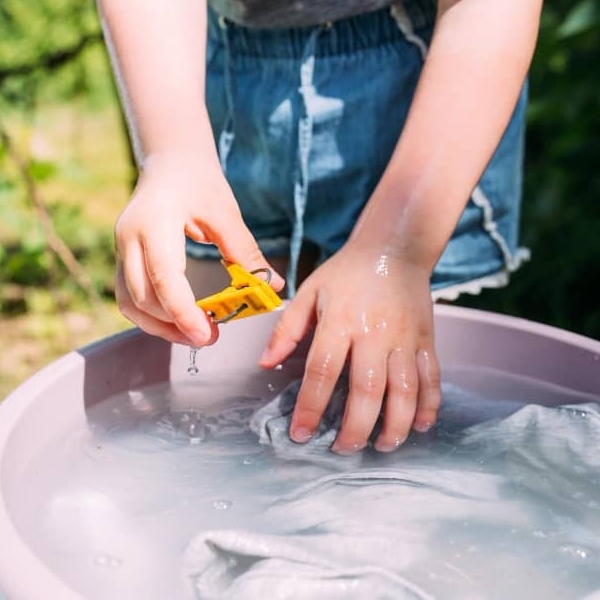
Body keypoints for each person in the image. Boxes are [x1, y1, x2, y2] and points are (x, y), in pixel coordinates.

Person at [97, 0, 542, 455]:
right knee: (219, 401)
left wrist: (395, 249)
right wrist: (171, 154)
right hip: (205, 80)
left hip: (429, 102)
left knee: (389, 414)